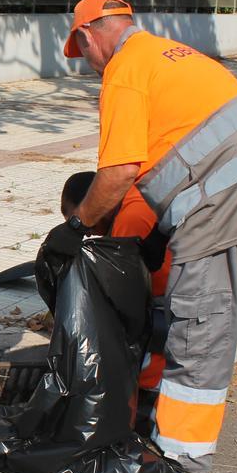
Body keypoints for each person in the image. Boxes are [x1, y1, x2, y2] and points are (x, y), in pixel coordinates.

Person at [47, 0, 237, 473]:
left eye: (85, 55)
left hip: (227, 199)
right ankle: (178, 428)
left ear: (87, 34)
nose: (91, 67)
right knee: (209, 315)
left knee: (199, 319)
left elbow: (119, 171)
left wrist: (75, 228)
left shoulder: (125, 71)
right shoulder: (164, 54)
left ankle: (182, 449)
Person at [59, 170, 172, 436]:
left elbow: (125, 289)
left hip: (166, 300)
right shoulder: (136, 199)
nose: (87, 231)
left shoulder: (129, 220)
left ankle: (149, 392)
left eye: (83, 220)